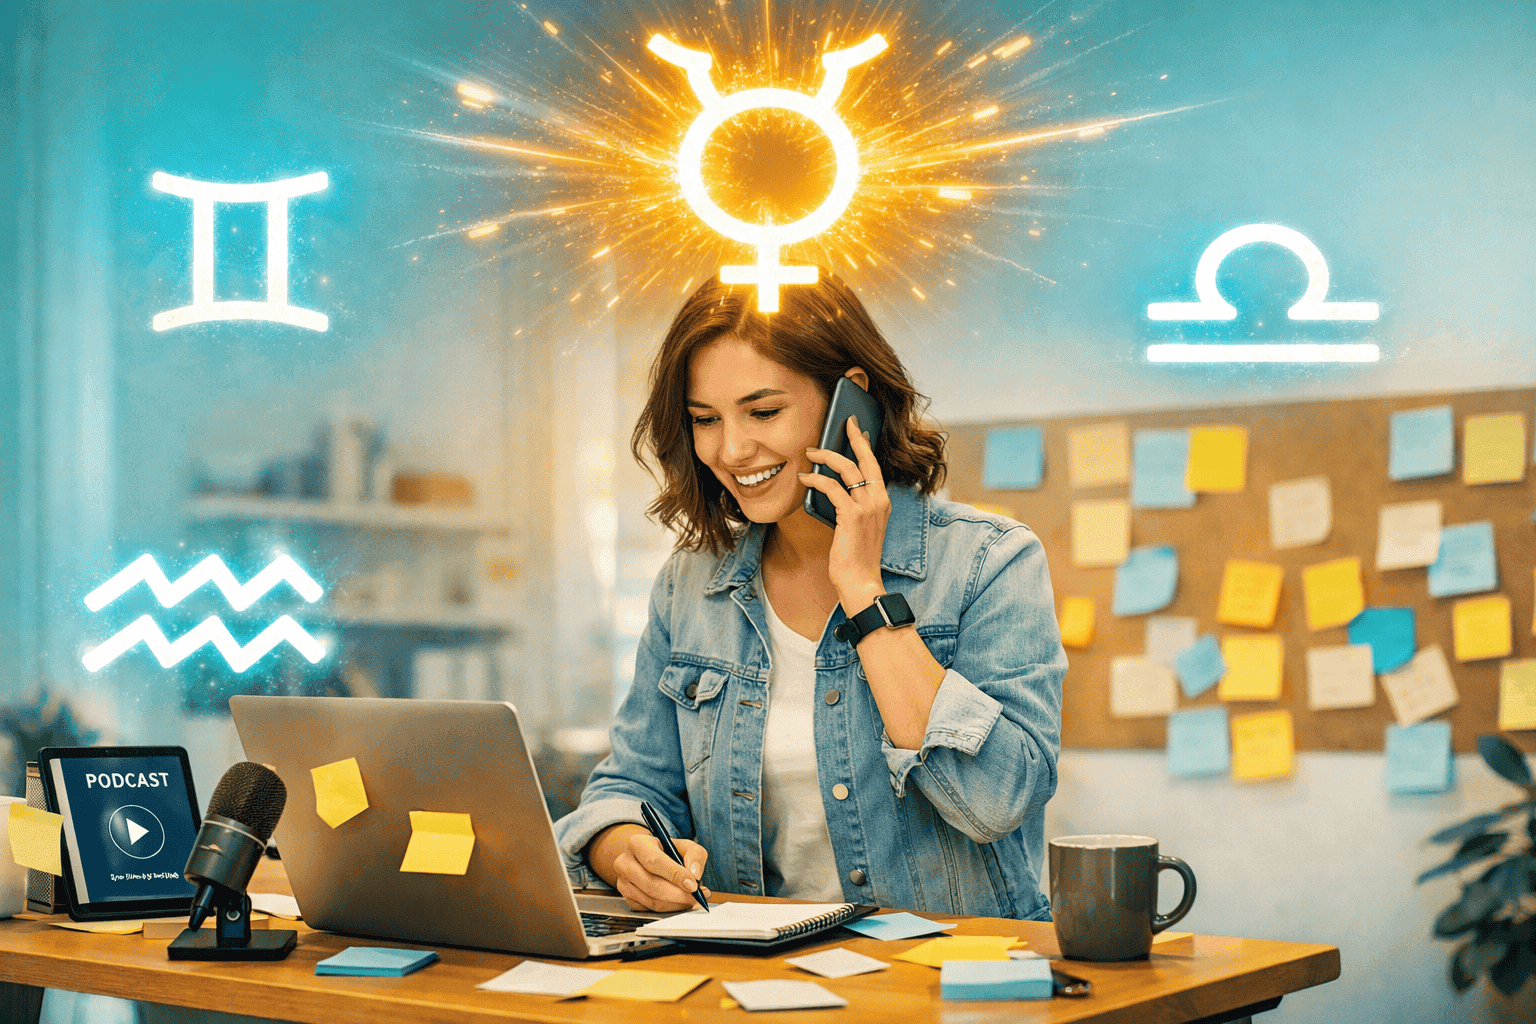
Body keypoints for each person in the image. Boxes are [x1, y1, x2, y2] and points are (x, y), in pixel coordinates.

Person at [553, 272, 1065, 920]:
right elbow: (629, 787)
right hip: (756, 986)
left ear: (851, 405)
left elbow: (995, 802)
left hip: (951, 989)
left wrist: (864, 593)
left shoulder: (990, 561)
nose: (732, 449)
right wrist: (626, 850)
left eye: (763, 411)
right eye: (704, 419)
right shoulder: (690, 587)